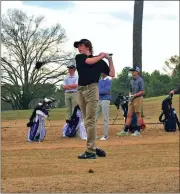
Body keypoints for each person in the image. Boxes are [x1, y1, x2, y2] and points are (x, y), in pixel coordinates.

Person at [74, 39, 115, 159]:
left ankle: (91, 151)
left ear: (87, 46)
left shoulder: (100, 62)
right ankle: (94, 147)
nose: (78, 48)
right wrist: (102, 55)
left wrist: (110, 59)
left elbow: (111, 74)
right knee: (87, 121)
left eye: (80, 46)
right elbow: (89, 61)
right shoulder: (80, 57)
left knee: (90, 120)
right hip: (81, 90)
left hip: (92, 89)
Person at [117, 66, 144, 136]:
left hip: (138, 99)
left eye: (133, 71)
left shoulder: (140, 80)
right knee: (129, 115)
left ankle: (137, 131)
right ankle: (125, 131)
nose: (132, 72)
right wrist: (130, 95)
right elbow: (130, 91)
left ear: (137, 72)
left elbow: (142, 91)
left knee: (138, 114)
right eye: (132, 71)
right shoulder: (131, 81)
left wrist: (134, 95)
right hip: (131, 99)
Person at [96, 73, 112, 140]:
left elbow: (106, 90)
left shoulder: (109, 81)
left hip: (105, 100)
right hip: (98, 100)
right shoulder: (98, 81)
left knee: (105, 118)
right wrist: (101, 91)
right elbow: (97, 90)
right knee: (95, 118)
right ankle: (94, 135)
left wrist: (99, 91)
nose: (102, 73)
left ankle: (105, 135)